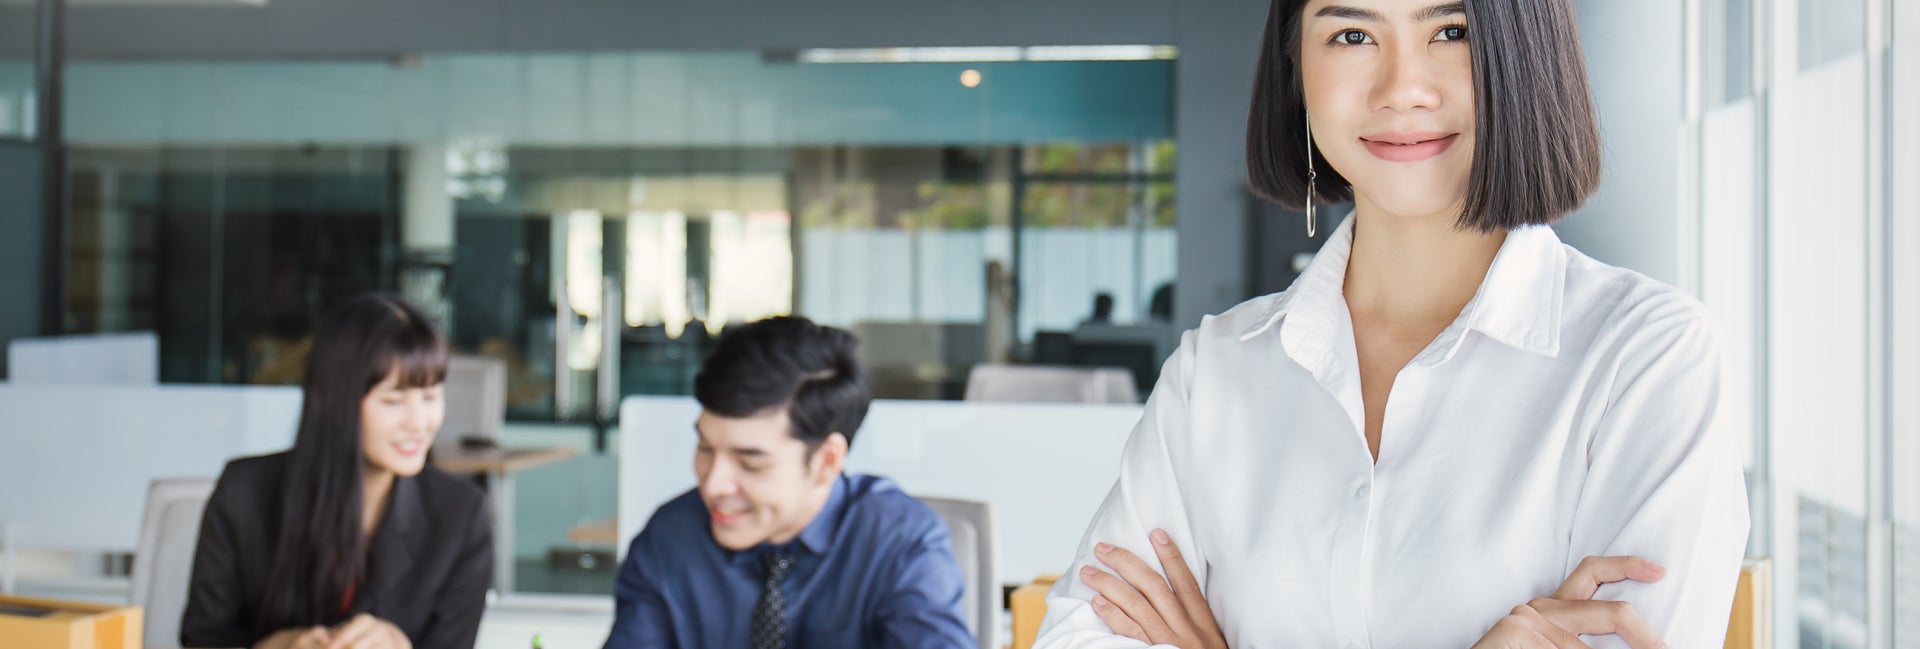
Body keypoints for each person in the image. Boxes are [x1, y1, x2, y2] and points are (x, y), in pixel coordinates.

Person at [1036, 1, 1749, 648]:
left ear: (1528, 54)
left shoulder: (1647, 358)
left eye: (1451, 31)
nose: (1401, 89)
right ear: (1296, 69)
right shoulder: (1215, 370)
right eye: (1351, 35)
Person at [604, 316, 973, 649]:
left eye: (750, 463)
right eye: (705, 448)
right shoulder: (670, 539)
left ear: (826, 461)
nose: (714, 485)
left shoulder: (898, 545)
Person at [182, 293, 492, 649]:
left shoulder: (461, 515)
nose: (419, 422)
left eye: (430, 396)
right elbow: (202, 640)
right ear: (334, 400)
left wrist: (400, 646)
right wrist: (279, 645)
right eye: (393, 400)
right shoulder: (244, 494)